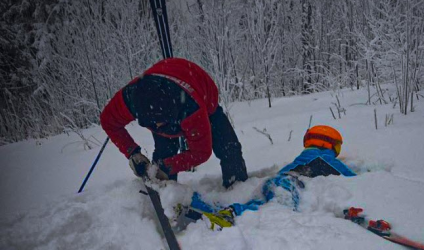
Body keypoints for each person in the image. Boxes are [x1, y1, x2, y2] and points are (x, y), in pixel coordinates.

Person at [175, 125, 359, 231]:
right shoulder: (324, 158)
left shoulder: (301, 158)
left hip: (274, 183)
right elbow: (354, 179)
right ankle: (230, 213)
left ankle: (196, 204)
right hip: (287, 186)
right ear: (330, 144)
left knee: (257, 207)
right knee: (275, 211)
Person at [100, 58, 248, 188]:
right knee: (163, 154)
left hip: (203, 96)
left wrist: (169, 166)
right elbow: (108, 122)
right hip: (162, 97)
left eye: (161, 122)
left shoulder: (192, 108)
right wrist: (132, 153)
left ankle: (238, 188)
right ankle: (165, 197)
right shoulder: (130, 99)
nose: (157, 127)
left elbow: (201, 152)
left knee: (228, 147)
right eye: (152, 123)